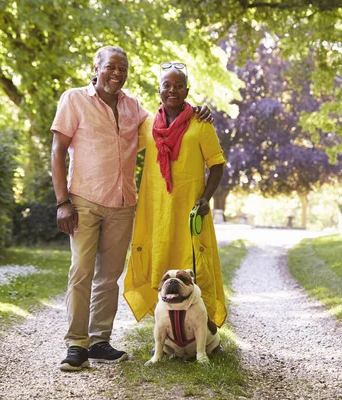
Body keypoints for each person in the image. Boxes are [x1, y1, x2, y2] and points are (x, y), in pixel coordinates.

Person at [50, 47, 212, 371]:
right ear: (96, 68)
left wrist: (198, 112)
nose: (117, 73)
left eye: (122, 68)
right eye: (111, 66)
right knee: (81, 272)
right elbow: (57, 150)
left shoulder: (133, 107)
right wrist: (62, 202)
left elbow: (168, 118)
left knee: (109, 277)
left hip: (123, 204)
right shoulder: (74, 99)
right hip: (83, 200)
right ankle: (75, 345)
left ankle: (98, 341)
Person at [123, 62, 227, 331]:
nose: (173, 90)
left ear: (187, 90)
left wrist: (206, 197)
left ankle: (205, 329)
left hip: (190, 209)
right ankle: (169, 331)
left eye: (179, 85)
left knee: (194, 264)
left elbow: (216, 164)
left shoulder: (200, 124)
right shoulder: (146, 126)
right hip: (156, 211)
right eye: (167, 85)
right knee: (160, 262)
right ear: (159, 90)